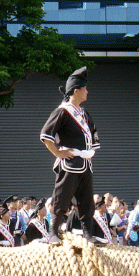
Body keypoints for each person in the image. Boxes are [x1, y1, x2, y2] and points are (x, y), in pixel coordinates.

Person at [40, 66, 100, 244]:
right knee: (61, 198)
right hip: (70, 162)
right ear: (76, 91)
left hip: (85, 163)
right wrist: (57, 152)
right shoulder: (62, 111)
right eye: (85, 89)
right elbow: (45, 135)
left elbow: (93, 136)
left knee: (87, 201)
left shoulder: (84, 113)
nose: (87, 92)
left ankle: (88, 234)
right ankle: (53, 232)